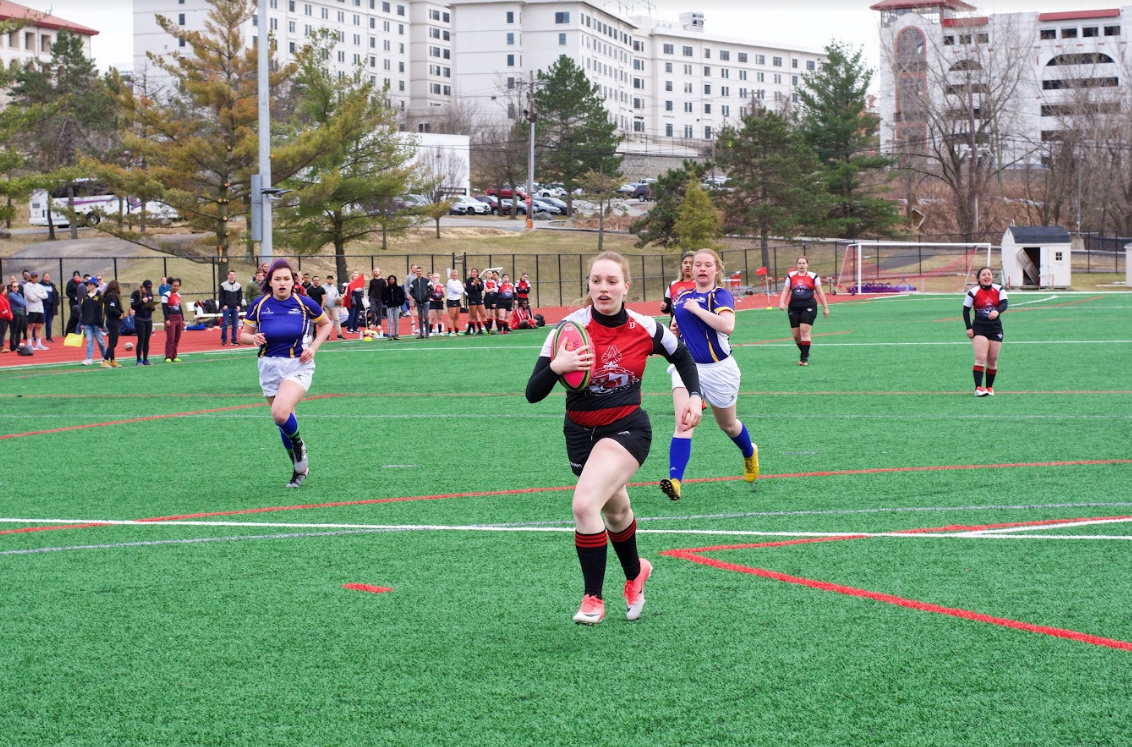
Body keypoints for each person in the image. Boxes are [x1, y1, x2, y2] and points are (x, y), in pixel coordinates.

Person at [525, 251, 703, 625]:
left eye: (611, 281)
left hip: (627, 430)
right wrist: (558, 367)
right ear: (588, 285)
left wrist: (695, 397)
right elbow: (533, 392)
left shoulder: (645, 327)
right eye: (595, 281)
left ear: (626, 285)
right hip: (579, 435)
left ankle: (592, 598)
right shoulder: (567, 330)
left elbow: (683, 358)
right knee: (617, 511)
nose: (603, 288)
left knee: (584, 504)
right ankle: (636, 572)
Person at [660, 249, 759, 502]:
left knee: (727, 425)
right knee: (684, 423)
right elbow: (678, 331)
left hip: (719, 369)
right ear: (690, 270)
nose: (702, 268)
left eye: (708, 265)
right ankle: (675, 481)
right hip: (687, 368)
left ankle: (749, 453)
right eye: (697, 265)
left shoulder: (720, 295)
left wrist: (697, 311)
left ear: (717, 270)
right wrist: (676, 330)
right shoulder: (682, 297)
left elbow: (727, 326)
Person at [241, 259, 333, 488]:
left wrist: (313, 348)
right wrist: (252, 338)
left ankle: (299, 447)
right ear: (269, 282)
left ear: (294, 281)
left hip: (297, 365)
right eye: (277, 279)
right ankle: (298, 470)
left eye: (287, 279)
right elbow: (243, 335)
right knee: (282, 420)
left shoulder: (305, 303)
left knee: (280, 413)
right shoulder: (259, 305)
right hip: (268, 366)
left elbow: (327, 324)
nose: (282, 283)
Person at [964, 266, 1008, 396]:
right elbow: (966, 310)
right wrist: (969, 328)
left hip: (995, 328)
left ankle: (989, 388)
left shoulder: (999, 289)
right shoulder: (973, 291)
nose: (987, 276)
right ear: (979, 278)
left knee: (993, 359)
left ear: (992, 277)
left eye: (989, 274)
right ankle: (978, 388)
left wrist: (997, 311)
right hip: (979, 328)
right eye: (983, 275)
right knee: (981, 358)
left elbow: (1004, 304)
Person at [778, 255, 829, 366]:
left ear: (807, 265)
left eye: (803, 263)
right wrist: (782, 302)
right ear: (797, 265)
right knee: (796, 336)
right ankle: (805, 351)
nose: (801, 265)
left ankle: (804, 358)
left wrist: (825, 307)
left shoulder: (813, 276)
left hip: (808, 306)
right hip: (794, 307)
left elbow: (820, 292)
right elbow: (786, 290)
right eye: (799, 263)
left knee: (804, 331)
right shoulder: (791, 276)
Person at [79, 277, 108, 366]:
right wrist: (82, 323)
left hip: (97, 323)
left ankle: (104, 357)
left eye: (91, 284)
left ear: (95, 285)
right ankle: (89, 358)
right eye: (88, 284)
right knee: (89, 341)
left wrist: (101, 324)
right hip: (87, 323)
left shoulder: (100, 296)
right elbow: (82, 310)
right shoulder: (85, 297)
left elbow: (102, 311)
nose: (89, 285)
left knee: (100, 341)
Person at [130, 280, 157, 366]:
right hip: (139, 318)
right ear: (143, 287)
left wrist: (152, 307)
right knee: (141, 339)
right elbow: (133, 306)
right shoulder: (136, 293)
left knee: (147, 340)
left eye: (149, 288)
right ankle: (139, 359)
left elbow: (151, 306)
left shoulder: (150, 294)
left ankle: (146, 359)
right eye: (147, 288)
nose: (148, 290)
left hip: (148, 319)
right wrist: (142, 302)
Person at [662, 252, 696, 316]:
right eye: (685, 263)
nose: (687, 265)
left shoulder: (700, 284)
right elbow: (667, 308)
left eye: (691, 263)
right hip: (675, 324)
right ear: (681, 266)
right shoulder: (672, 284)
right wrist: (663, 307)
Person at [22, 271, 49, 350]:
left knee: (39, 326)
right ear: (30, 277)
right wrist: (39, 296)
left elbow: (45, 295)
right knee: (31, 326)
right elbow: (32, 298)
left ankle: (39, 344)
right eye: (33, 277)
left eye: (35, 277)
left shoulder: (40, 286)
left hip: (40, 308)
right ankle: (30, 344)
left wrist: (38, 295)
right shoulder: (27, 286)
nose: (34, 278)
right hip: (31, 309)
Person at [161, 277, 186, 363]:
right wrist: (167, 319)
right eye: (174, 286)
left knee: (177, 338)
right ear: (171, 285)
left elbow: (180, 308)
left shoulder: (178, 295)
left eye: (178, 286)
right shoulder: (166, 295)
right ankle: (168, 356)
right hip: (171, 318)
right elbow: (164, 308)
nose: (176, 287)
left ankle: (174, 356)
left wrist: (182, 320)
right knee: (170, 338)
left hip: (178, 317)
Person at [102, 280, 124, 368]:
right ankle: (105, 360)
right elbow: (112, 309)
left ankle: (113, 360)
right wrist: (119, 314)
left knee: (111, 342)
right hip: (113, 322)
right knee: (113, 342)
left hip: (110, 321)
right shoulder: (112, 297)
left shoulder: (108, 296)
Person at [218, 270, 244, 346]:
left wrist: (239, 305)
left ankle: (234, 340)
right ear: (228, 276)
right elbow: (221, 297)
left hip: (235, 308)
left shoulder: (238, 285)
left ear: (235, 276)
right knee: (225, 324)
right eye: (231, 275)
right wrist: (223, 305)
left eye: (233, 275)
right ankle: (224, 340)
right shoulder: (223, 285)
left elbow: (240, 297)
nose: (232, 276)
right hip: (227, 308)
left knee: (235, 325)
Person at [409, 265, 432, 339]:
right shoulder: (413, 282)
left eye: (420, 271)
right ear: (416, 272)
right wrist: (415, 297)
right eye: (417, 271)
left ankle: (427, 333)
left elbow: (431, 289)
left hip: (426, 302)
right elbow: (411, 291)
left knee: (426, 316)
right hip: (418, 302)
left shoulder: (426, 281)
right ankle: (421, 333)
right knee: (420, 317)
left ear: (422, 272)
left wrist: (427, 296)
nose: (418, 272)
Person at [381, 273, 405, 340]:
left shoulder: (398, 288)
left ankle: (396, 334)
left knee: (396, 321)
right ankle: (390, 334)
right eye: (390, 279)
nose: (392, 280)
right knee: (390, 321)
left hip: (396, 306)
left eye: (393, 279)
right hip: (389, 306)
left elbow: (402, 297)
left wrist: (399, 302)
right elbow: (383, 297)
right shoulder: (386, 289)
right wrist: (386, 302)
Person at [320, 275, 343, 339]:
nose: (330, 280)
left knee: (337, 319)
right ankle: (326, 334)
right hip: (326, 306)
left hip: (334, 306)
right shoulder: (323, 287)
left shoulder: (334, 288)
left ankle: (339, 334)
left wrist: (338, 301)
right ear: (326, 279)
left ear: (333, 280)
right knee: (326, 321)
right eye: (328, 279)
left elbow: (337, 296)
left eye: (331, 279)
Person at [7, 279, 26, 351]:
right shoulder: (11, 295)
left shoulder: (20, 294)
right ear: (11, 287)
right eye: (14, 286)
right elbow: (20, 302)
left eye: (17, 286)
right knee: (14, 330)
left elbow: (24, 303)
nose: (16, 288)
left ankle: (17, 345)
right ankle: (12, 346)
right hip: (15, 313)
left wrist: (22, 302)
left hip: (21, 313)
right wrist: (21, 302)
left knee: (19, 330)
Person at [464, 267, 485, 335]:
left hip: (479, 299)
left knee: (483, 314)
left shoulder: (480, 280)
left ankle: (487, 330)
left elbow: (481, 288)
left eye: (475, 272)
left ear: (477, 273)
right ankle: (471, 330)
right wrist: (473, 285)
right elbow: (468, 290)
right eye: (473, 272)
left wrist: (478, 284)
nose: (474, 273)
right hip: (472, 299)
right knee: (473, 315)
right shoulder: (468, 280)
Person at [444, 270, 464, 337]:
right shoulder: (450, 282)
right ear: (451, 276)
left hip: (457, 300)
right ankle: (449, 332)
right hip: (451, 300)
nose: (454, 276)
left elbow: (462, 289)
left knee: (456, 317)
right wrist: (460, 290)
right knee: (451, 316)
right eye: (453, 275)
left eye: (456, 275)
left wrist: (460, 290)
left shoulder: (458, 282)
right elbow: (455, 290)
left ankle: (457, 331)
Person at [41, 272, 59, 343]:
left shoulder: (52, 286)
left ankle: (48, 338)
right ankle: (35, 337)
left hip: (51, 308)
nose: (47, 277)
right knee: (40, 323)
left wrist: (57, 302)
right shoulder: (40, 285)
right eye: (45, 276)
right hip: (43, 307)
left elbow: (56, 295)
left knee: (49, 324)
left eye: (48, 276)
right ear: (43, 277)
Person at [368, 268, 386, 335]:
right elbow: (370, 289)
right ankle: (373, 323)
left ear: (380, 272)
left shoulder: (383, 281)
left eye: (377, 271)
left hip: (380, 298)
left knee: (379, 311)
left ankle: (379, 324)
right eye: (375, 271)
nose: (376, 272)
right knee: (372, 310)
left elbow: (385, 290)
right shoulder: (372, 281)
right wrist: (369, 297)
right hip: (373, 297)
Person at [64, 270, 82, 335]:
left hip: (80, 302)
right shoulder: (70, 283)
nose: (76, 277)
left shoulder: (80, 283)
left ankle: (76, 330)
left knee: (79, 316)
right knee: (73, 316)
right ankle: (69, 331)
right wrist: (74, 297)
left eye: (77, 276)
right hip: (73, 302)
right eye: (75, 276)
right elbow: (67, 292)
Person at [0, 284, 11, 353]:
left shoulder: (4, 297)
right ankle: (1, 346)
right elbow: (3, 309)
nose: (7, 290)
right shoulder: (1, 298)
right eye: (6, 288)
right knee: (2, 332)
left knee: (2, 332)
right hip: (2, 317)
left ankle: (1, 345)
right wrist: (8, 315)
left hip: (5, 317)